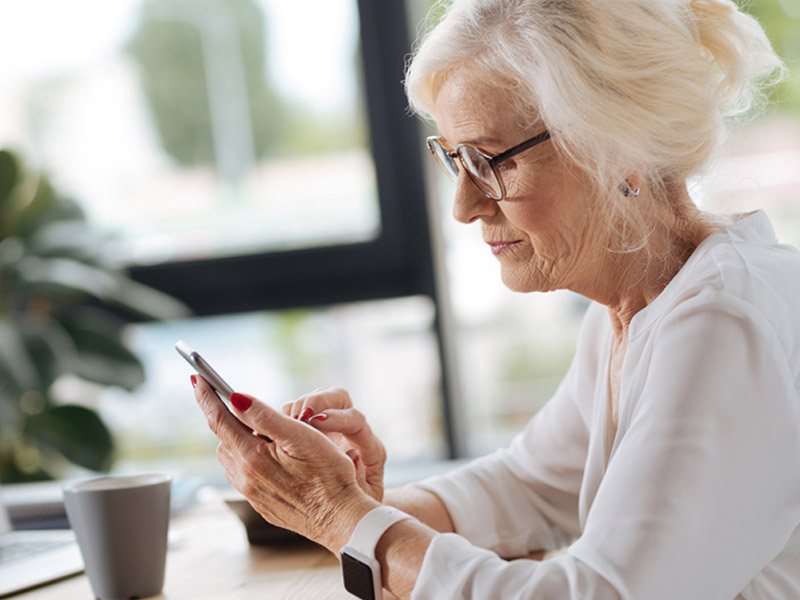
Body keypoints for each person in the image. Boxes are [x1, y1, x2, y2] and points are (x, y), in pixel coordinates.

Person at [191, 0, 800, 597]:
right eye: (454, 159)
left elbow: (598, 594)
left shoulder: (722, 323)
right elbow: (529, 487)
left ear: (622, 147)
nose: (463, 205)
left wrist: (344, 518)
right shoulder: (633, 306)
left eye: (488, 160)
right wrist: (361, 501)